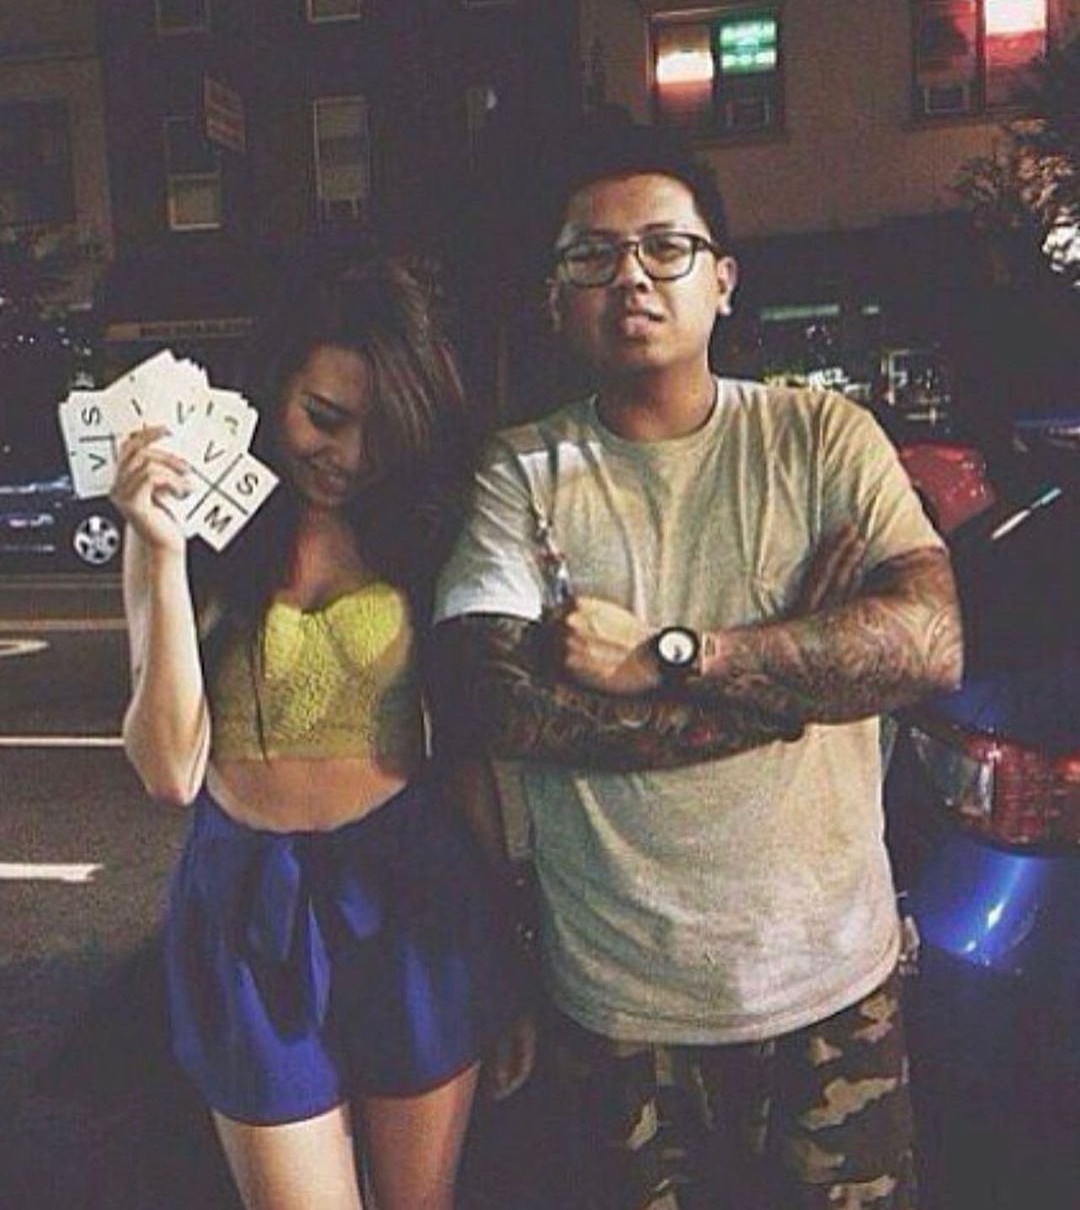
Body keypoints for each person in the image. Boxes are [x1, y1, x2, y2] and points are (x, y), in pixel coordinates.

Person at [430, 124, 963, 1209]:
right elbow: (490, 700)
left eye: (665, 247)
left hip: (829, 981)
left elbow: (927, 643)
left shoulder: (819, 437)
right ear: (556, 299)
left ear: (722, 280)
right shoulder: (525, 470)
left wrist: (673, 657)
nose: (631, 274)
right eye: (593, 254)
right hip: (617, 1001)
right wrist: (787, 687)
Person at [112, 256, 514, 1210]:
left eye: (379, 431)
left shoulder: (424, 526)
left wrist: (508, 955)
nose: (347, 456)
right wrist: (161, 553)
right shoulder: (193, 524)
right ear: (274, 384)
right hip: (246, 890)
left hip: (413, 883)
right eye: (323, 417)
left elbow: (468, 756)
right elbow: (169, 770)